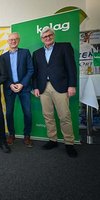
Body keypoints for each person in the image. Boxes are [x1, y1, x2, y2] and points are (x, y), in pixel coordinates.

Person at [32, 27, 78, 158]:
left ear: (53, 35)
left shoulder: (64, 47)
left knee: (64, 116)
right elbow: (35, 73)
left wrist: (72, 85)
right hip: (43, 88)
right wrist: (35, 87)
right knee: (48, 116)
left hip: (61, 87)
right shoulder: (37, 53)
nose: (47, 38)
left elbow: (71, 67)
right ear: (41, 39)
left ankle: (69, 143)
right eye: (45, 36)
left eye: (49, 35)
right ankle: (52, 140)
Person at [2, 32, 34, 147]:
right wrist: (10, 84)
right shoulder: (3, 57)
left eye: (15, 39)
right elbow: (2, 74)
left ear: (19, 40)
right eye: (11, 39)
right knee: (9, 113)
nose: (13, 41)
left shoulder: (25, 53)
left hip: (24, 88)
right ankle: (11, 134)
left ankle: (27, 136)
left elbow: (30, 70)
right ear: (8, 41)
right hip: (9, 88)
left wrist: (22, 84)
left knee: (28, 113)